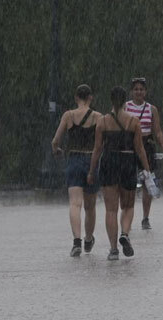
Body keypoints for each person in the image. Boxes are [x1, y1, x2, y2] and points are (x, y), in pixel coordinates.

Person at [87, 86, 153, 261]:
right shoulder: (133, 122)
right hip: (127, 162)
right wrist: (147, 170)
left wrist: (91, 171)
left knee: (111, 210)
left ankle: (113, 249)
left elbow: (97, 149)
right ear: (125, 101)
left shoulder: (102, 122)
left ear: (111, 100)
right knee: (128, 206)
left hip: (109, 162)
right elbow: (139, 149)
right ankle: (124, 233)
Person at [51, 84, 101, 257]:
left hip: (74, 160)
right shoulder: (98, 117)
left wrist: (57, 150)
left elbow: (55, 140)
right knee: (90, 206)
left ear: (76, 98)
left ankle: (76, 241)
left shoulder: (69, 116)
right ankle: (88, 239)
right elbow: (102, 142)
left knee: (74, 203)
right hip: (92, 161)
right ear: (91, 98)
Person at [126, 77, 163, 230]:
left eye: (141, 89)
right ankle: (127, 217)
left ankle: (145, 218)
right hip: (130, 145)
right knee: (128, 183)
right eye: (136, 89)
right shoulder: (125, 107)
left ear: (145, 92)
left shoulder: (152, 109)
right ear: (132, 92)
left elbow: (157, 131)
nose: (138, 92)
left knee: (148, 181)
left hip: (147, 144)